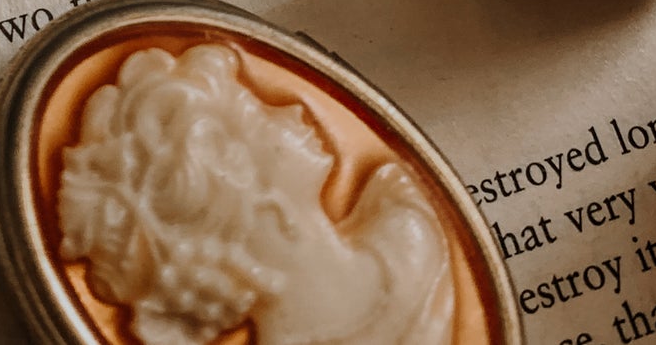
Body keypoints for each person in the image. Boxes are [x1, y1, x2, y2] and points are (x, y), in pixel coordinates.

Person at [58, 43, 455, 345]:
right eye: (261, 117)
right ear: (238, 190)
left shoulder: (408, 213)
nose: (293, 111)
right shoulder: (412, 222)